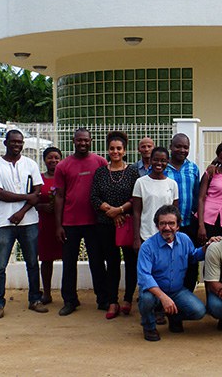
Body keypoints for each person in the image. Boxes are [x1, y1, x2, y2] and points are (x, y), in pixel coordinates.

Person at [0, 130, 47, 318]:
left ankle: (35, 299)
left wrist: (21, 212)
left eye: (20, 142)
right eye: (13, 142)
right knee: (0, 265)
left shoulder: (30, 164)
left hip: (29, 221)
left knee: (32, 262)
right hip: (5, 222)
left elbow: (37, 193)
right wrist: (25, 197)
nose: (17, 145)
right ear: (5, 143)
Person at [137, 205, 215, 341]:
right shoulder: (147, 247)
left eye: (171, 223)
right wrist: (163, 297)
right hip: (154, 291)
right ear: (157, 226)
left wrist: (207, 247)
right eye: (163, 223)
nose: (167, 227)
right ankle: (149, 326)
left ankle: (174, 317)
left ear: (178, 225)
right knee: (146, 299)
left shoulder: (184, 239)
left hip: (177, 290)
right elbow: (144, 276)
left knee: (199, 311)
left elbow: (193, 256)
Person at [55, 128, 109, 316]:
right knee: (69, 263)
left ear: (91, 140)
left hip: (94, 222)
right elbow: (59, 197)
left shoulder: (100, 162)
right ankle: (70, 300)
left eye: (86, 140)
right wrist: (58, 225)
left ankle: (102, 299)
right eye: (79, 140)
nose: (83, 143)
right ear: (73, 141)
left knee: (97, 262)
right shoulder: (63, 166)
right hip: (70, 223)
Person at [90, 131, 140, 319]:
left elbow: (136, 198)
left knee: (130, 262)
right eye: (112, 148)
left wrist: (119, 210)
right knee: (111, 263)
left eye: (119, 148)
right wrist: (110, 212)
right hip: (105, 224)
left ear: (124, 150)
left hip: (127, 223)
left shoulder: (133, 172)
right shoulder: (101, 172)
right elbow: (94, 197)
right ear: (108, 150)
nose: (115, 151)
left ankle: (127, 299)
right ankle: (113, 301)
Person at [165, 133, 201, 292]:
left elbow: (197, 195)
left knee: (191, 261)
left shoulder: (193, 168)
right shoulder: (161, 167)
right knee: (167, 260)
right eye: (178, 146)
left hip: (188, 223)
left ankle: (188, 294)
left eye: (185, 147)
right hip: (166, 226)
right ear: (171, 147)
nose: (182, 150)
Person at [132, 147, 179, 247]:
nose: (159, 163)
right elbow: (136, 212)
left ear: (168, 162)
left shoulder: (172, 184)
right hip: (146, 235)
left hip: (167, 235)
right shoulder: (140, 182)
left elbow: (175, 213)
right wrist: (136, 238)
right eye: (156, 160)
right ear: (150, 160)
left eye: (163, 161)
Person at [36, 146, 63, 305]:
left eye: (56, 158)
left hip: (63, 223)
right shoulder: (39, 179)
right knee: (46, 260)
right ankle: (46, 293)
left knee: (68, 258)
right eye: (50, 158)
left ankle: (69, 295)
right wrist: (41, 207)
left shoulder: (65, 176)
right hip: (45, 224)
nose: (53, 161)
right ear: (44, 160)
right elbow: (32, 199)